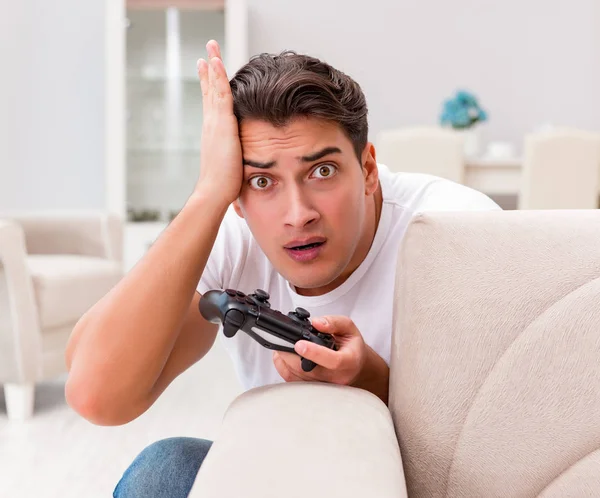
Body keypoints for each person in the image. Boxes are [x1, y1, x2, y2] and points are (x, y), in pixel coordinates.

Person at [64, 40, 500, 498]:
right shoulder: (231, 230)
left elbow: (490, 448)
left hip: (409, 481)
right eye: (261, 180)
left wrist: (373, 382)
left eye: (323, 172)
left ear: (368, 168)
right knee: (163, 470)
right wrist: (208, 195)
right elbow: (97, 394)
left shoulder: (455, 230)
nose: (298, 214)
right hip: (289, 469)